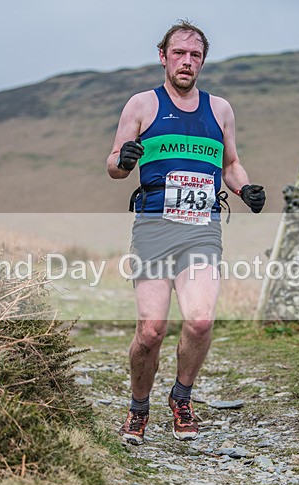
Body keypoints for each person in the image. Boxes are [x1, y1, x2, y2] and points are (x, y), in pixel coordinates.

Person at [106, 20, 266, 445]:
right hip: (155, 226)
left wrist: (244, 187)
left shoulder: (220, 110)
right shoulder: (141, 105)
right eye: (179, 53)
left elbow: (230, 163)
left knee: (198, 320)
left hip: (201, 228)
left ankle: (181, 397)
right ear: (163, 56)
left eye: (195, 55)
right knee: (151, 330)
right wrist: (125, 157)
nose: (187, 62)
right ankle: (139, 407)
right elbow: (114, 167)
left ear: (202, 61)